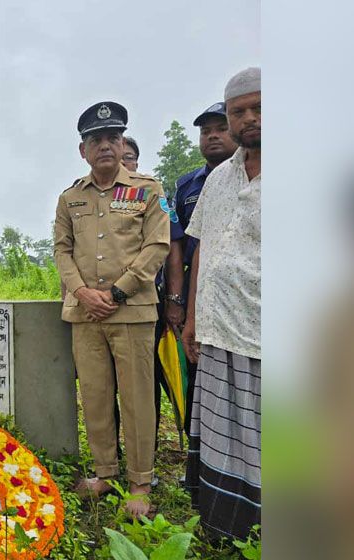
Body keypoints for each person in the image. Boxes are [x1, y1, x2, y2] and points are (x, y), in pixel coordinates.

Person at [53, 101, 170, 518]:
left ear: (123, 146)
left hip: (133, 311)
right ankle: (105, 472)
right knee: (97, 395)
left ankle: (140, 481)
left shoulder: (148, 190)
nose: (105, 145)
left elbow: (156, 247)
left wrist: (117, 294)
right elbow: (62, 250)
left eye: (112, 138)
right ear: (82, 150)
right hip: (85, 314)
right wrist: (83, 292)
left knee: (138, 398)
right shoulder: (70, 197)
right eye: (95, 139)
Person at [182, 68, 261, 541]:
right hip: (215, 329)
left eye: (259, 108)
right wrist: (191, 318)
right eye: (239, 111)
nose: (248, 118)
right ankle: (222, 527)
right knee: (219, 430)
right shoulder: (217, 180)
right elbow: (203, 250)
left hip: (265, 333)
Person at [165, 102, 238, 436]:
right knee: (198, 376)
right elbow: (178, 246)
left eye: (220, 129)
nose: (212, 137)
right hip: (201, 295)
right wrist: (178, 302)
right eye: (206, 131)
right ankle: (200, 459)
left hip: (244, 295)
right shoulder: (186, 186)